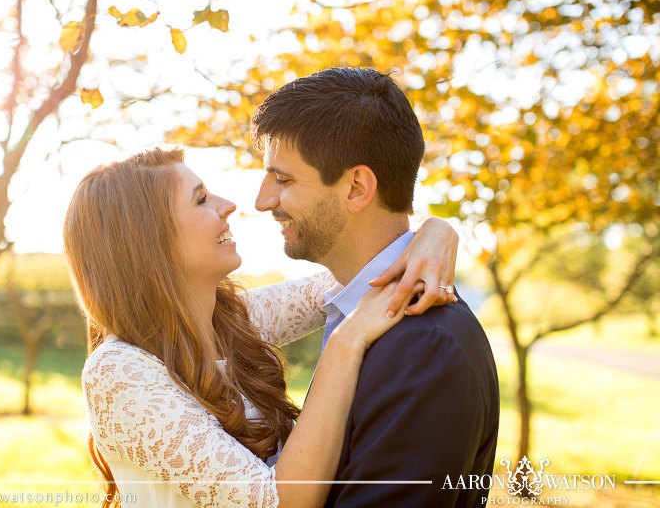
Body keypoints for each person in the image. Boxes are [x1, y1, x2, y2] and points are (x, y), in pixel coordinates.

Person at [65, 147, 459, 508]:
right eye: (201, 199)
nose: (229, 205)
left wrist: (435, 231)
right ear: (148, 241)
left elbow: (363, 273)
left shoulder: (235, 321)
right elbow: (275, 502)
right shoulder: (119, 373)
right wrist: (347, 342)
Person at [251, 67, 500, 507]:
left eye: (283, 179)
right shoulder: (356, 309)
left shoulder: (424, 347)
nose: (262, 200)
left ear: (357, 187)